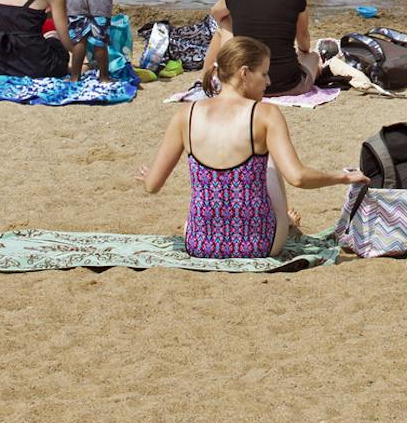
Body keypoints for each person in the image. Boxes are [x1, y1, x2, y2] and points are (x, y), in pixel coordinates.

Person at [140, 37, 367, 260]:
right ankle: (284, 221)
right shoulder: (265, 114)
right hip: (258, 243)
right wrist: (343, 177)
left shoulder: (185, 114)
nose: (268, 82)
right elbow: (298, 178)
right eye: (264, 74)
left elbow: (152, 186)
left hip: (200, 243)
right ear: (244, 73)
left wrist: (148, 177)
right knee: (270, 161)